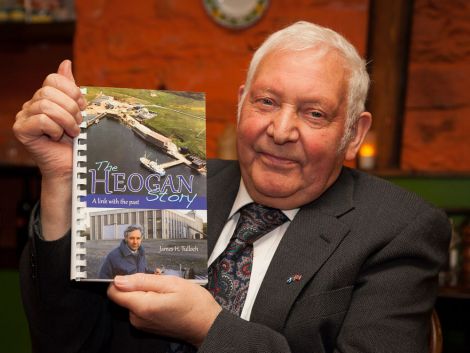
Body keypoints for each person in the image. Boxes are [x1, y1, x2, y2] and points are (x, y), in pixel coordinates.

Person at [13, 21, 450, 353]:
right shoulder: (173, 184)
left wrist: (209, 327)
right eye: (266, 101)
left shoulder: (398, 229)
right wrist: (60, 180)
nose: (281, 130)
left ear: (354, 134)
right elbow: (62, 339)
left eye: (314, 113)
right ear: (241, 104)